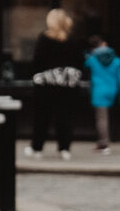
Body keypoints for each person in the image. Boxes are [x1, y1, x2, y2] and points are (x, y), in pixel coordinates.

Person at [26, 9, 82, 160]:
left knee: (41, 118)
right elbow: (79, 62)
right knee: (64, 118)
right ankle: (64, 148)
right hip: (66, 87)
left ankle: (37, 148)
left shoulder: (44, 39)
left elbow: (37, 61)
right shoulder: (72, 39)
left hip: (46, 86)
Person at [85, 33, 120, 155]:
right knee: (107, 116)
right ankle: (103, 141)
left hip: (99, 90)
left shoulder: (92, 60)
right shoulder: (116, 61)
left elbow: (85, 65)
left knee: (101, 118)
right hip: (112, 90)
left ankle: (104, 143)